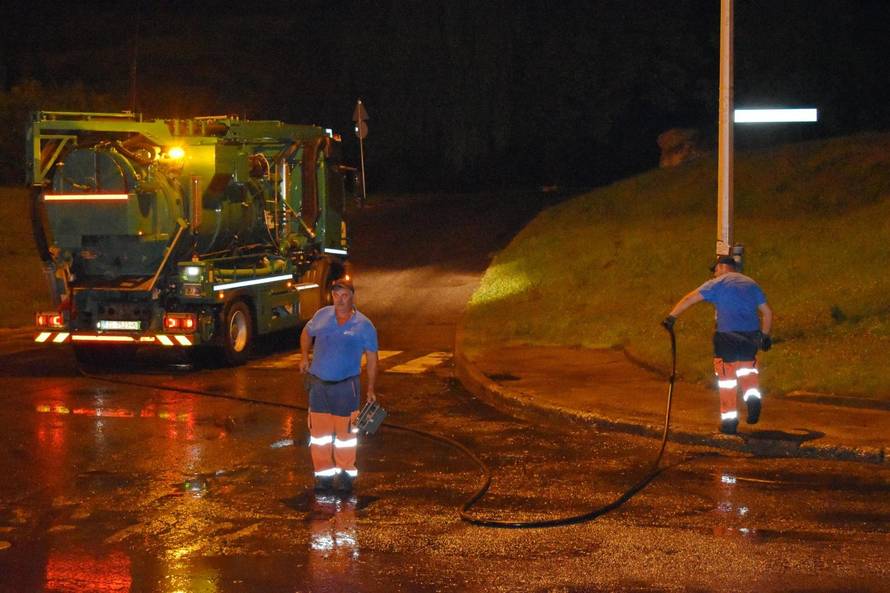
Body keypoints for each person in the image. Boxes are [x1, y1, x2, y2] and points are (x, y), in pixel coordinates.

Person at [662, 255, 773, 435]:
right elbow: (767, 312)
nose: (714, 274)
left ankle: (729, 423)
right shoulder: (751, 284)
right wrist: (766, 336)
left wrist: (671, 317)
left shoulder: (718, 283)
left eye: (715, 270)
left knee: (727, 380)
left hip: (726, 337)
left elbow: (690, 298)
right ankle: (752, 398)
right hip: (751, 337)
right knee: (747, 370)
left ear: (722, 267)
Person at [300, 274, 378, 492]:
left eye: (345, 295)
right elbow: (306, 332)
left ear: (352, 297)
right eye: (336, 295)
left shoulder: (364, 325)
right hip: (318, 386)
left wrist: (370, 388)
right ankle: (323, 475)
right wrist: (304, 356)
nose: (340, 300)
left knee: (345, 435)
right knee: (320, 435)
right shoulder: (322, 316)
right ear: (331, 296)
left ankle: (345, 474)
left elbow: (372, 357)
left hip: (346, 387)